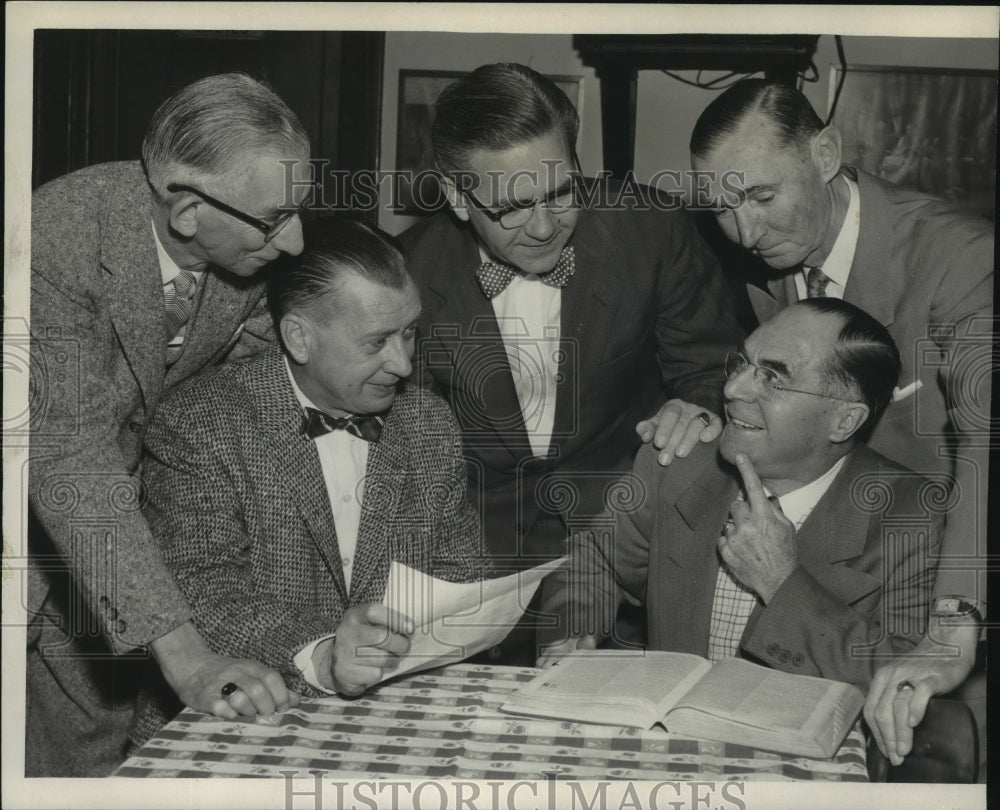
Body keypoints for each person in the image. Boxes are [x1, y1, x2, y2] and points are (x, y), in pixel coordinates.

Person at [679, 78, 991, 770]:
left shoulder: (960, 256)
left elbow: (987, 435)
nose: (745, 232)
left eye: (761, 196)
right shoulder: (768, 261)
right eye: (722, 207)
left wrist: (954, 622)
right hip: (837, 591)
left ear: (825, 153)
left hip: (951, 587)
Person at [398, 63, 743, 664]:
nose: (543, 227)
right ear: (456, 196)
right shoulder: (406, 277)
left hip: (623, 555)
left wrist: (696, 408)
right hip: (469, 573)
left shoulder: (650, 232)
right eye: (512, 206)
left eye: (562, 192)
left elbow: (716, 372)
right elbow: (400, 454)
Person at [27, 72, 314, 775]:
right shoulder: (54, 240)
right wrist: (186, 657)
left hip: (117, 565)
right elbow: (70, 458)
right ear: (186, 209)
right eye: (276, 220)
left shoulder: (239, 252)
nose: (298, 241)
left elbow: (251, 378)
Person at [130, 218, 493, 745]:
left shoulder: (427, 422)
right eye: (377, 342)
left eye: (410, 331)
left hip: (390, 726)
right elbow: (202, 594)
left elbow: (462, 574)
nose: (403, 362)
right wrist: (325, 653)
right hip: (232, 725)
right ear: (299, 337)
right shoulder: (201, 421)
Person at [540, 299, 940, 691]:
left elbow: (903, 678)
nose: (732, 389)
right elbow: (597, 563)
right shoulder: (680, 462)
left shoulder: (911, 517)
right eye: (742, 364)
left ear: (844, 421)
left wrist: (782, 581)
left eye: (773, 378)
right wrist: (574, 630)